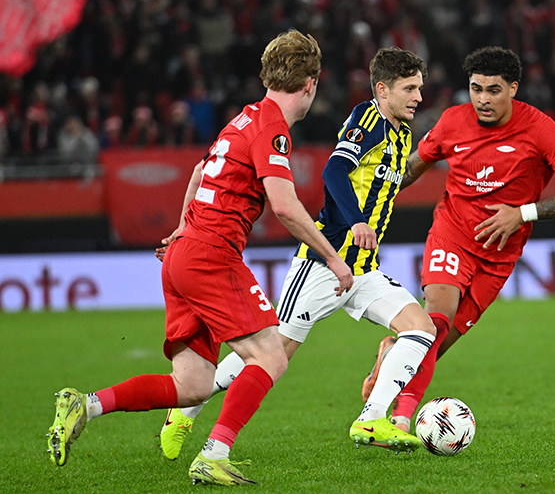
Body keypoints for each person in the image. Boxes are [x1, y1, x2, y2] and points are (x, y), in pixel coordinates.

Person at [46, 30, 354, 486]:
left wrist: (180, 229)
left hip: (185, 252)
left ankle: (85, 405)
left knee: (191, 385)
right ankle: (214, 454)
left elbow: (197, 172)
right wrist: (333, 257)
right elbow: (285, 206)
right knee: (270, 356)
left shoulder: (244, 118)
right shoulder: (272, 129)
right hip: (211, 254)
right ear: (311, 84)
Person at [158, 47, 437, 458]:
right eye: (409, 88)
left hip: (363, 267)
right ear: (382, 90)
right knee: (271, 354)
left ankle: (372, 417)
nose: (418, 97)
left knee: (421, 328)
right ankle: (186, 409)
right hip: (324, 262)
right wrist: (357, 220)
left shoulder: (402, 134)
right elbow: (334, 171)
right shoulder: (368, 120)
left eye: (419, 88)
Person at [361, 46, 555, 433]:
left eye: (493, 90)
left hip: (499, 256)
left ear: (513, 89)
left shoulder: (540, 128)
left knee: (435, 345)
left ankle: (393, 353)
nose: (483, 100)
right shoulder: (453, 121)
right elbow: (410, 170)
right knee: (435, 322)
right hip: (452, 232)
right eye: (476, 89)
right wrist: (360, 202)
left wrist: (521, 213)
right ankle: (399, 421)